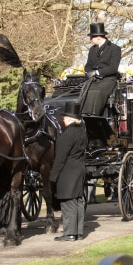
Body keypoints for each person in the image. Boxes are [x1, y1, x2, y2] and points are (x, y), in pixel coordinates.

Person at [51, 102, 88, 241]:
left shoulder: (67, 134)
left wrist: (53, 175)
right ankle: (78, 232)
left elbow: (60, 157)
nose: (63, 119)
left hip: (68, 171)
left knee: (68, 202)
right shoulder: (82, 132)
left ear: (71, 119)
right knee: (78, 200)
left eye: (65, 117)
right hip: (79, 168)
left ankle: (69, 233)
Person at [81, 22, 122, 116]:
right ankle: (83, 115)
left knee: (97, 92)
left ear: (98, 37)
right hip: (94, 79)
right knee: (84, 90)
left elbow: (113, 68)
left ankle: (95, 115)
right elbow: (88, 65)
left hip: (108, 79)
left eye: (91, 37)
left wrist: (97, 72)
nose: (90, 39)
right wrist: (88, 72)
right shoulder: (92, 49)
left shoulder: (115, 49)